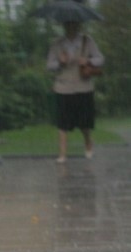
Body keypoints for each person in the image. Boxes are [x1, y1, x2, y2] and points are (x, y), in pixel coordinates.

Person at [47, 20, 104, 164]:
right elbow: (49, 65)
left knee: (84, 123)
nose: (71, 27)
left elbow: (100, 59)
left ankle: (88, 144)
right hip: (63, 87)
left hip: (83, 87)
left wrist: (88, 61)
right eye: (68, 24)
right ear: (64, 25)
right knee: (62, 124)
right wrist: (60, 62)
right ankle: (62, 154)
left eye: (74, 24)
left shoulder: (87, 41)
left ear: (78, 25)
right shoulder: (57, 43)